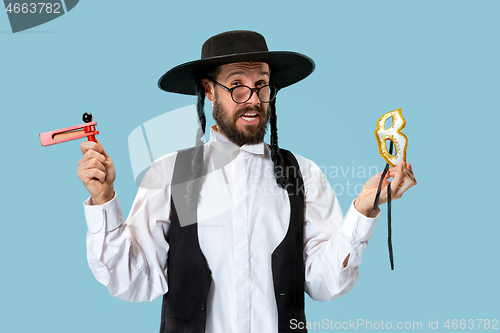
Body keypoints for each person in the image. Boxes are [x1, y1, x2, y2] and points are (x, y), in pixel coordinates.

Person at [77, 30, 417, 333]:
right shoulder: (169, 175)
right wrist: (104, 201)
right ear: (209, 90)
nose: (253, 99)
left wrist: (363, 210)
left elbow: (324, 283)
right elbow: (135, 281)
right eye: (237, 85)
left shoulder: (304, 174)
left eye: (261, 85)